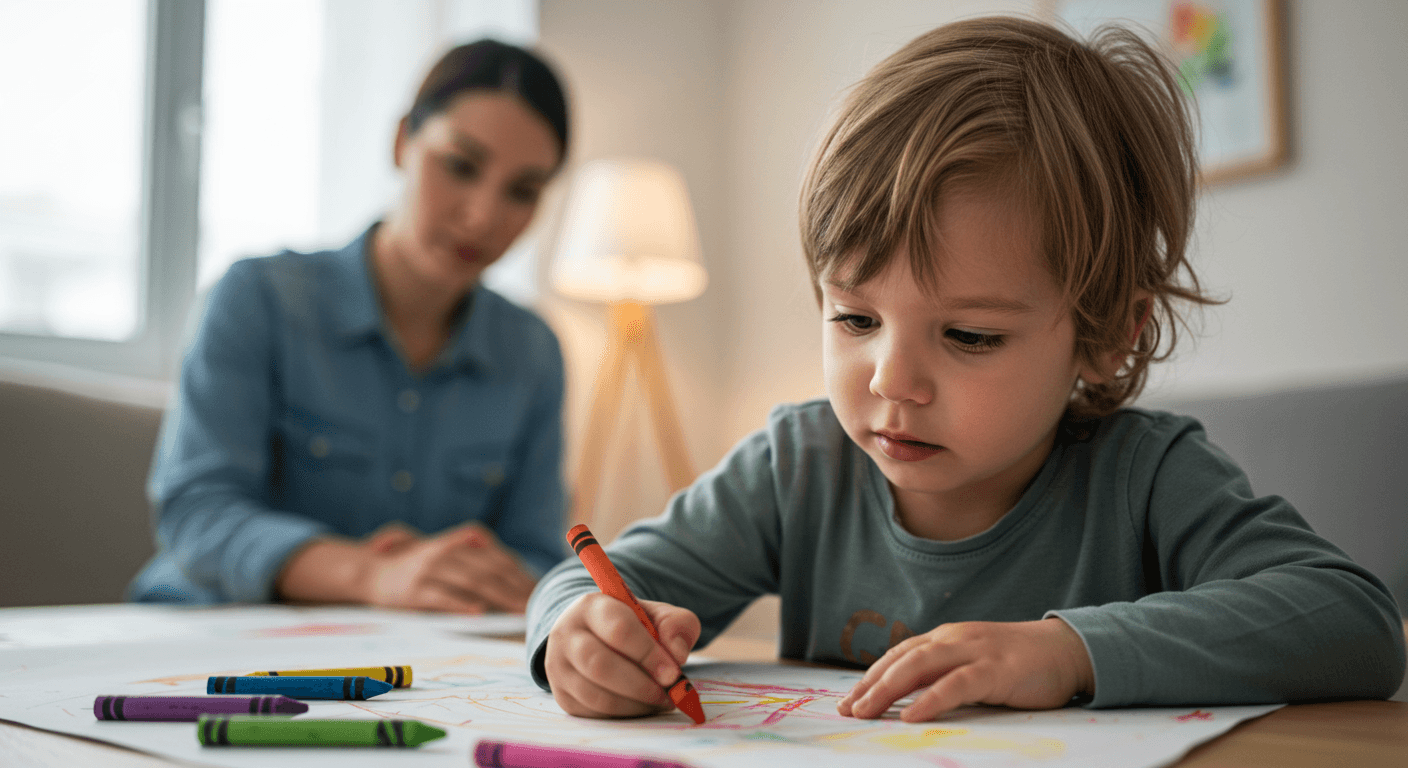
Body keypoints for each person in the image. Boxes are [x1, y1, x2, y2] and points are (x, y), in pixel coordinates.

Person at [526, 17, 1406, 721]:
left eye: (971, 336)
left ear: (1108, 334)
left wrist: (1065, 652)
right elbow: (598, 578)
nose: (890, 381)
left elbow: (1355, 623)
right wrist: (578, 632)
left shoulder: (1146, 477)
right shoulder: (798, 466)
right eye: (856, 318)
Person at [128, 39, 572, 614]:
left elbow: (536, 555)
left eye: (522, 191)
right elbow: (196, 514)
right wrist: (371, 574)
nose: (484, 216)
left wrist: (474, 575)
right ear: (401, 143)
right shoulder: (258, 298)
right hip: (209, 642)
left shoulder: (533, 352)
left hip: (420, 665)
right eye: (460, 166)